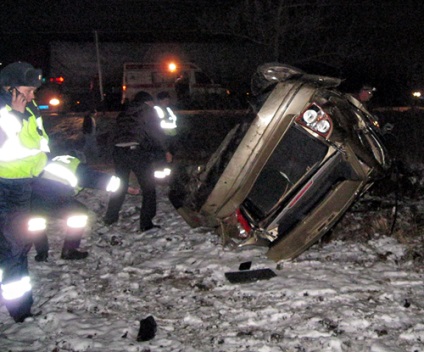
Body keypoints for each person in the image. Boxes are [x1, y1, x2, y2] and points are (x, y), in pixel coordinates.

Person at [0, 61, 50, 322]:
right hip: (5, 186)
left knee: (14, 246)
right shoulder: (4, 111)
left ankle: (19, 307)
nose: (33, 96)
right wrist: (16, 117)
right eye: (28, 91)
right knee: (15, 248)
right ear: (10, 89)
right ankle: (20, 311)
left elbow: (39, 143)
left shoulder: (29, 109)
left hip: (24, 184)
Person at [103, 92, 172, 231]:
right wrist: (166, 150)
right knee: (148, 188)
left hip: (118, 152)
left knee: (120, 184)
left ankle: (110, 217)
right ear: (147, 102)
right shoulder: (148, 111)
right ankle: (146, 224)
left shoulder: (124, 113)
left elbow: (113, 133)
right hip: (135, 152)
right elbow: (155, 133)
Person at [31, 155, 121, 262]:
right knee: (79, 214)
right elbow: (94, 178)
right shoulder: (76, 165)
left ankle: (41, 253)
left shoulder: (53, 160)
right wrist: (122, 185)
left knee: (36, 222)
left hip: (33, 197)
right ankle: (70, 250)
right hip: (56, 198)